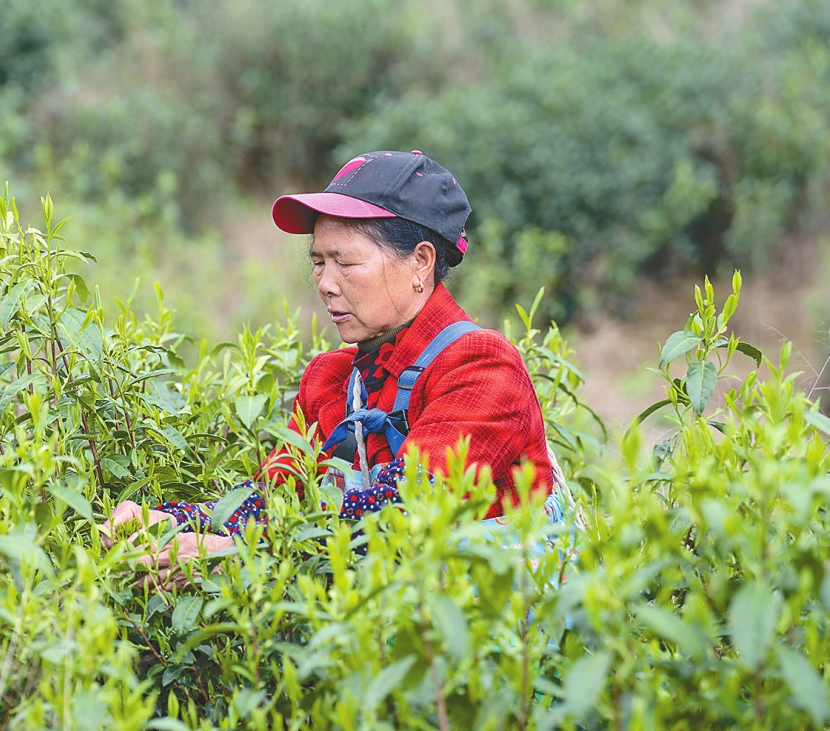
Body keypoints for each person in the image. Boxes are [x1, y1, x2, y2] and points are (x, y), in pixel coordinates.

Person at [103, 151, 563, 578]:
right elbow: (276, 501)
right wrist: (170, 520)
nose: (325, 283)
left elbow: (400, 516)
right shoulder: (332, 378)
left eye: (345, 262)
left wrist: (231, 552)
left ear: (420, 263)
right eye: (319, 262)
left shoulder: (481, 368)